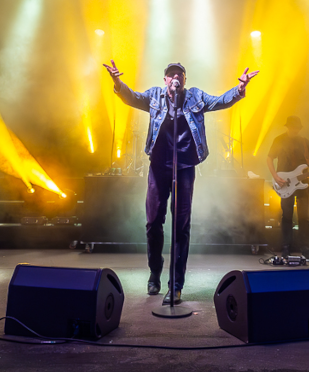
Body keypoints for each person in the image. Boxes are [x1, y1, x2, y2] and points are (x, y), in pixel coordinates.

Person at [103, 60, 258, 305]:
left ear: (185, 79)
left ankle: (176, 285)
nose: (175, 77)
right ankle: (155, 271)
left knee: (181, 226)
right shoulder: (154, 95)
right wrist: (117, 82)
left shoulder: (196, 96)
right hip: (158, 166)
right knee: (153, 222)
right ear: (165, 79)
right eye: (171, 74)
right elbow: (131, 97)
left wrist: (239, 90)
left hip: (184, 168)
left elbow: (220, 101)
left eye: (180, 74)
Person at [266, 116, 309, 261]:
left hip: (303, 183)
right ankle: (285, 248)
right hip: (285, 182)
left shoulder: (304, 142)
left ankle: (305, 249)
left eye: (297, 128)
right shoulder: (279, 140)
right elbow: (269, 158)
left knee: (304, 217)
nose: (295, 130)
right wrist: (275, 176)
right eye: (293, 127)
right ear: (288, 127)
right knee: (287, 216)